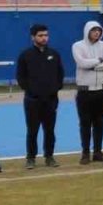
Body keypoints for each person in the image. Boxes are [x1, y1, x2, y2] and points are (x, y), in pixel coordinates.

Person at [17, 24, 64, 170]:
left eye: (46, 35)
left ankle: (49, 156)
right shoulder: (25, 55)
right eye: (40, 36)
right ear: (33, 37)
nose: (44, 38)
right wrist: (31, 91)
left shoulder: (54, 54)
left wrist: (54, 90)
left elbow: (60, 74)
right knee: (32, 131)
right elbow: (20, 77)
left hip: (50, 100)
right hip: (32, 100)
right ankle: (31, 158)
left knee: (49, 130)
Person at [72, 21, 103, 164]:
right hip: (85, 92)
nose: (97, 33)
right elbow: (82, 63)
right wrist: (99, 60)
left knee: (100, 122)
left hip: (102, 90)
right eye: (94, 30)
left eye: (99, 30)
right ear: (87, 31)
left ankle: (98, 151)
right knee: (85, 123)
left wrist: (94, 66)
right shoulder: (78, 46)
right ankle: (85, 153)